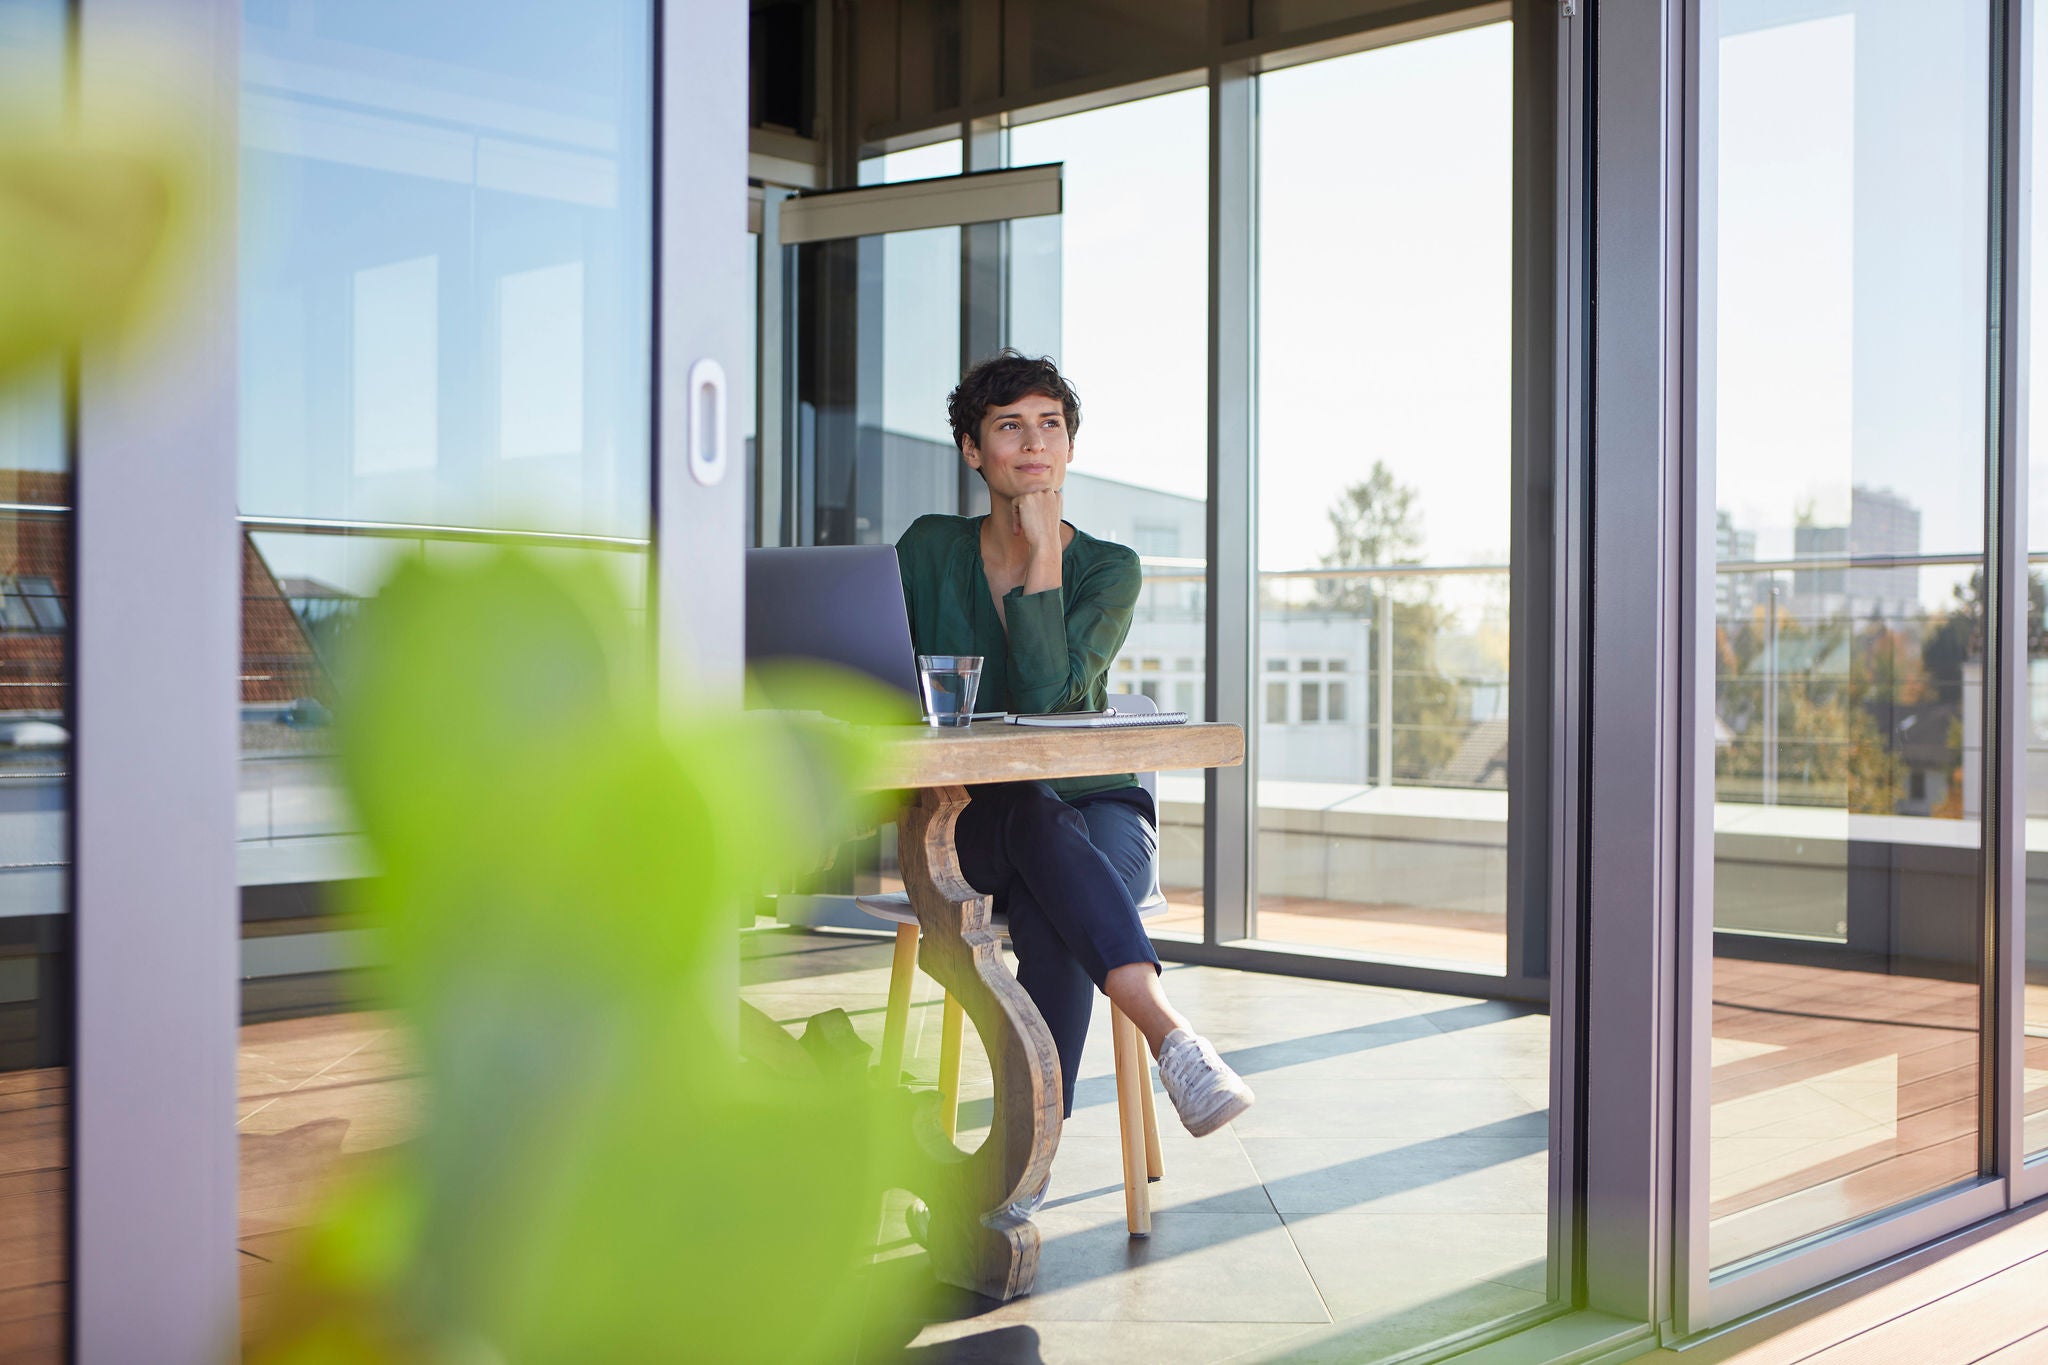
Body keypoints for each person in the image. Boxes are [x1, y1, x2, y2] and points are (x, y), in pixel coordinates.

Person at [895, 350, 1255, 1153]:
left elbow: (1049, 697)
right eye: (1009, 427)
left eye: (1050, 426)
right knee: (1031, 815)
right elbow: (882, 667)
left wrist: (1044, 555)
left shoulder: (1109, 569)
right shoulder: (926, 549)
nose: (1033, 444)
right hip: (972, 817)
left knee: (1053, 906)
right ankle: (1173, 1039)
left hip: (1100, 808)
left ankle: (1018, 1175)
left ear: (1069, 447)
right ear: (970, 448)